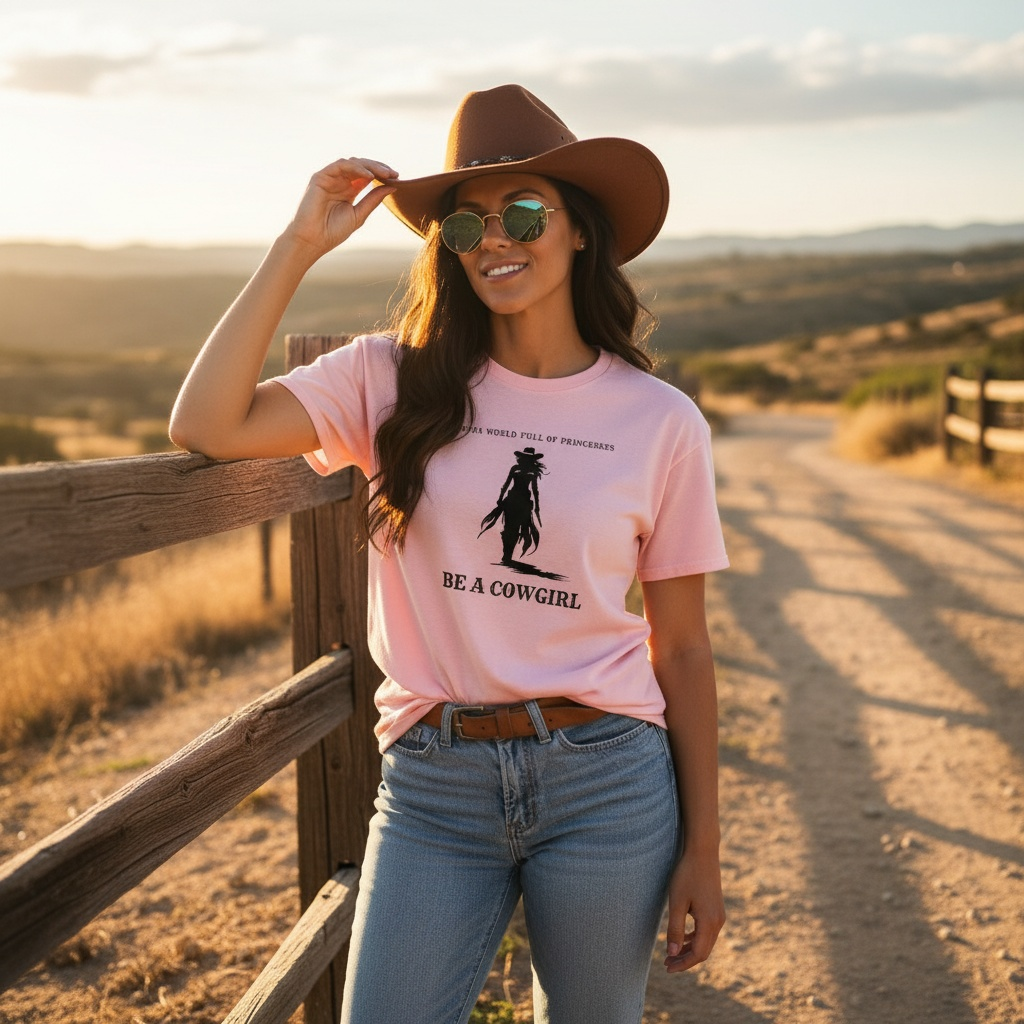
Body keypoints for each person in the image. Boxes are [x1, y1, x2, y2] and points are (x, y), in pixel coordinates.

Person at [170, 83, 729, 1024]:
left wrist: (703, 851)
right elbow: (206, 424)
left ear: (578, 229)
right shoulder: (389, 378)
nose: (494, 241)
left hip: (606, 778)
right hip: (435, 783)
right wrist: (297, 243)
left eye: (523, 213)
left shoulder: (660, 422)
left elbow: (682, 646)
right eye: (467, 226)